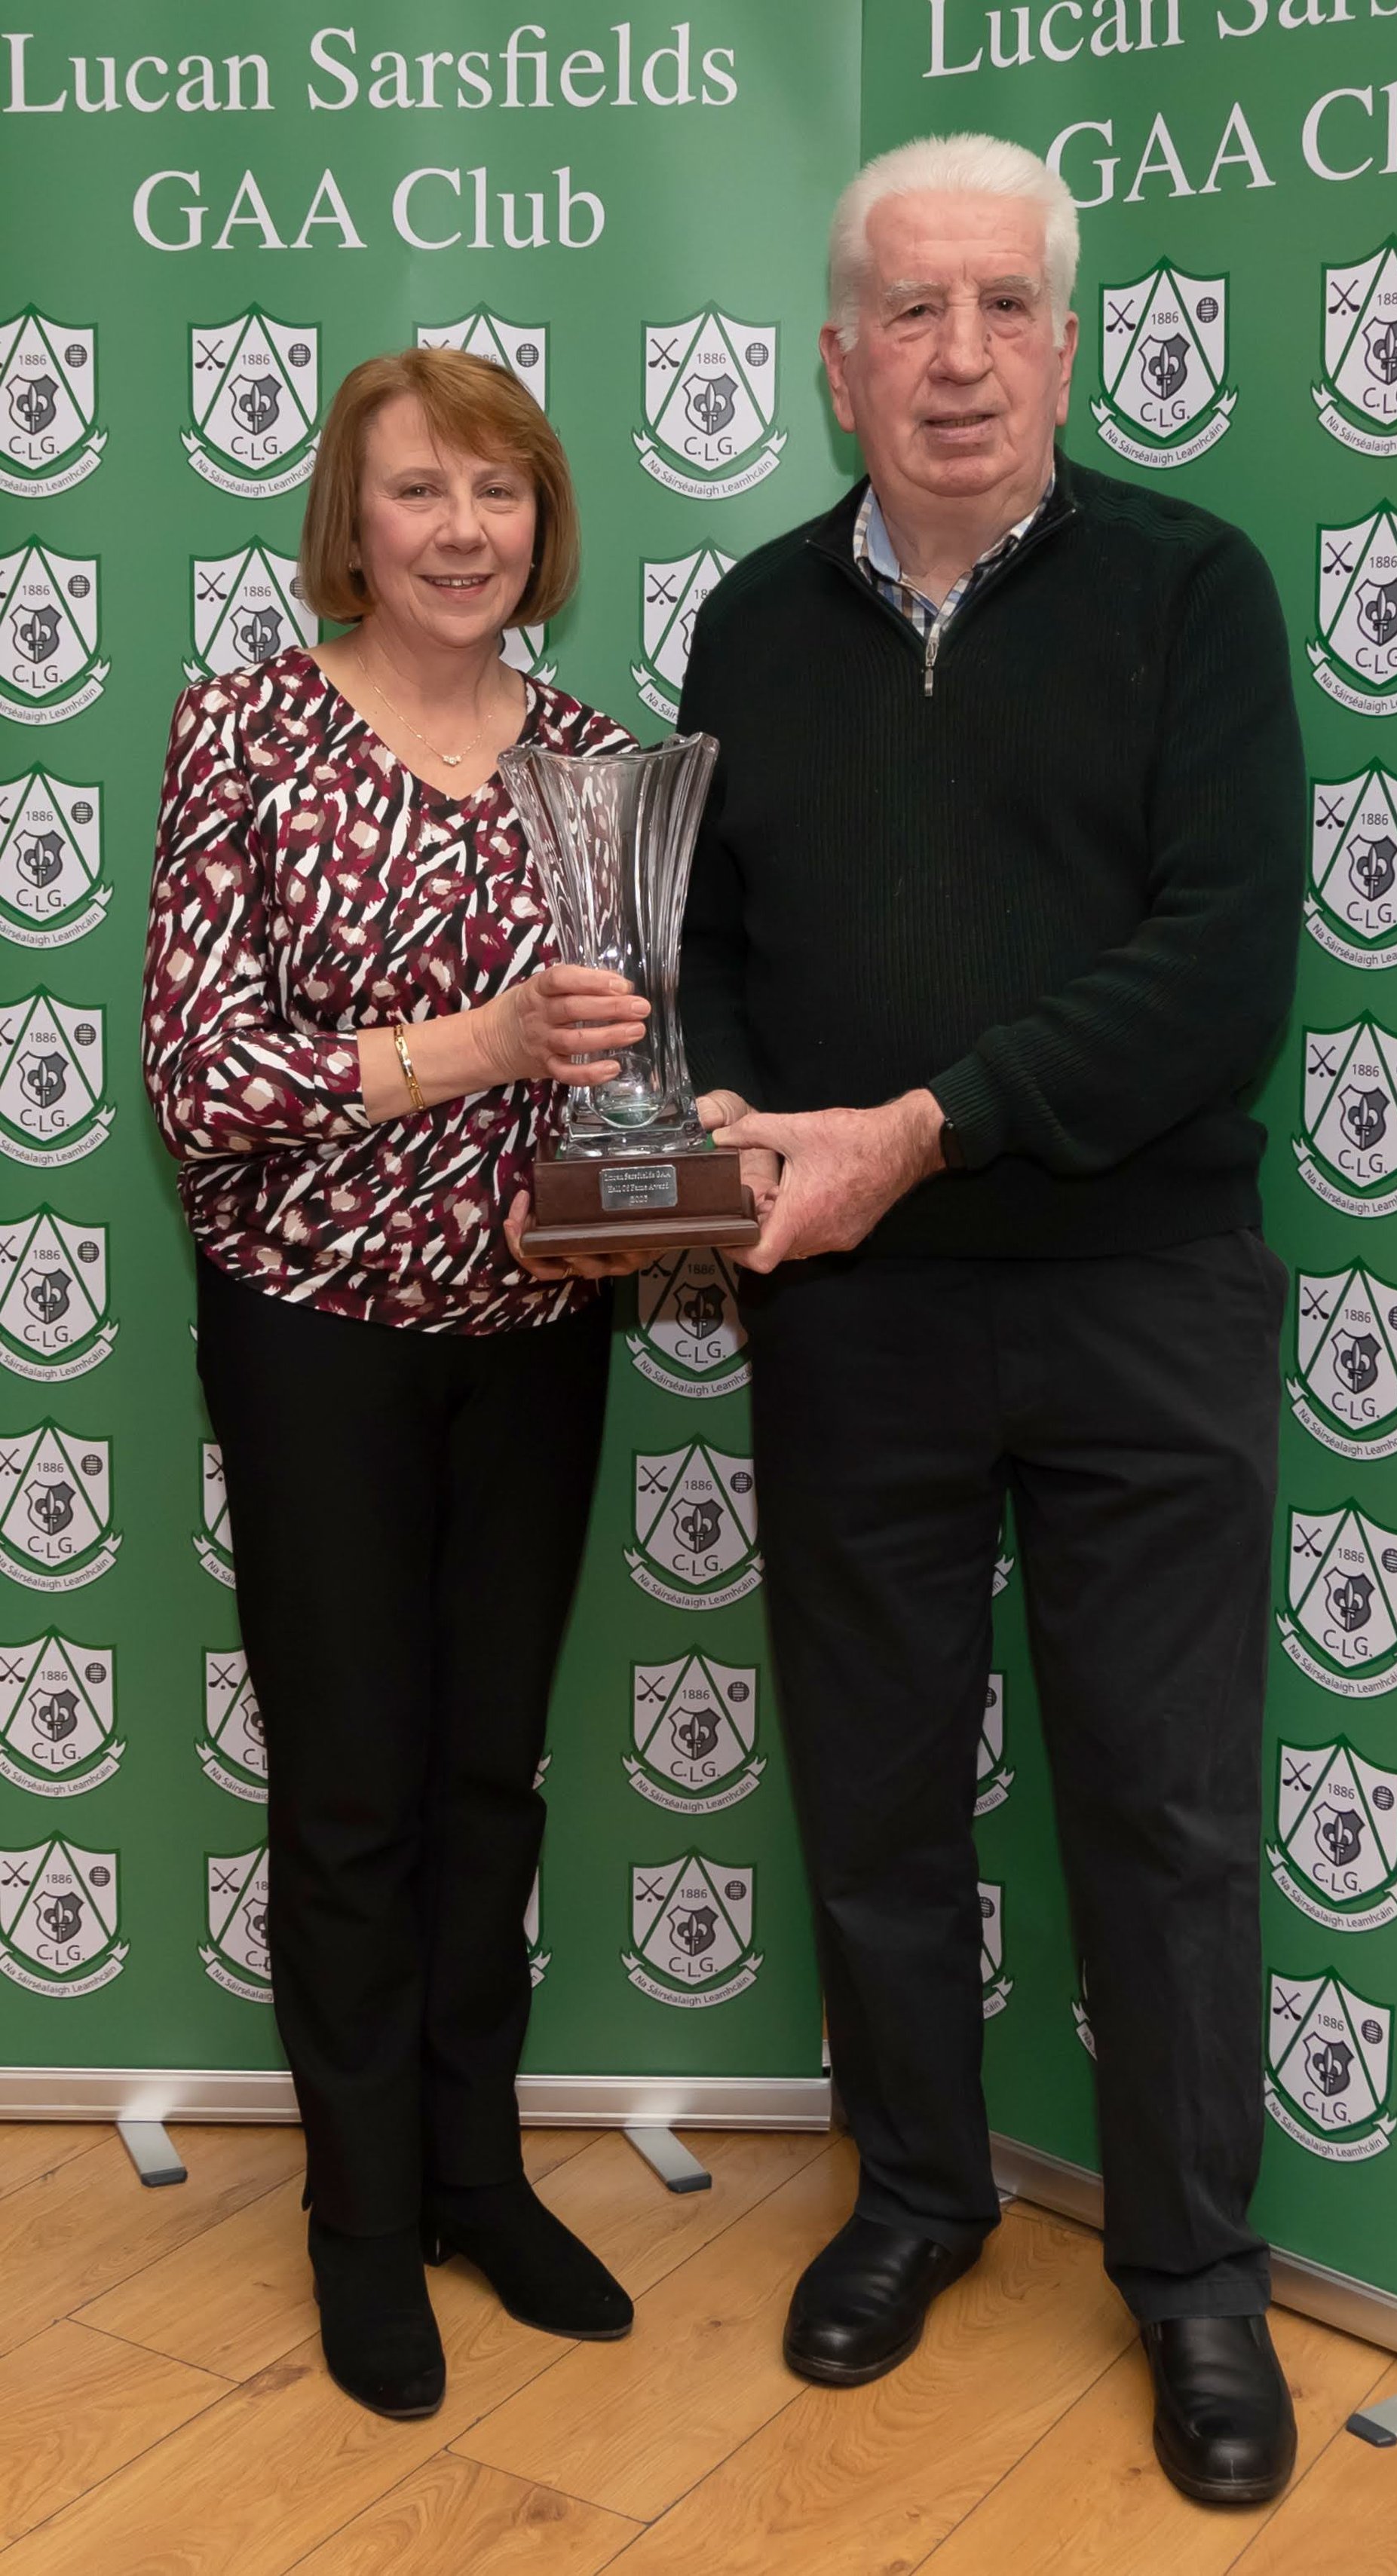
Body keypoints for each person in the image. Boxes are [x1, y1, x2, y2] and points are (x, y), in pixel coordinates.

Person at [680, 131, 1304, 2507]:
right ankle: (921, 2194)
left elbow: (1220, 964)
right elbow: (707, 935)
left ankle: (1197, 2272)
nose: (959, 358)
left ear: (1066, 340)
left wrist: (923, 1126)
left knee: (1166, 1809)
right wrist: (724, 1108)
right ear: (837, 362)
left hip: (1141, 1300)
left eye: (1004, 307)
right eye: (910, 314)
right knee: (872, 1797)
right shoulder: (749, 623)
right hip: (856, 1319)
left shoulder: (1194, 589)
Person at [143, 346, 646, 2421]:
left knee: (488, 1780)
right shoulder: (245, 728)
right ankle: (360, 2216)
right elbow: (200, 1082)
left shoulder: (603, 764)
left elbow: (639, 1059)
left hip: (537, 1334)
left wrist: (635, 1176)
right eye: (421, 490)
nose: (463, 529)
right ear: (351, 523)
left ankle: (473, 2172)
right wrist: (480, 1045)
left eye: (499, 491)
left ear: (545, 522)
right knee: (354, 1790)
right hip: (314, 1336)